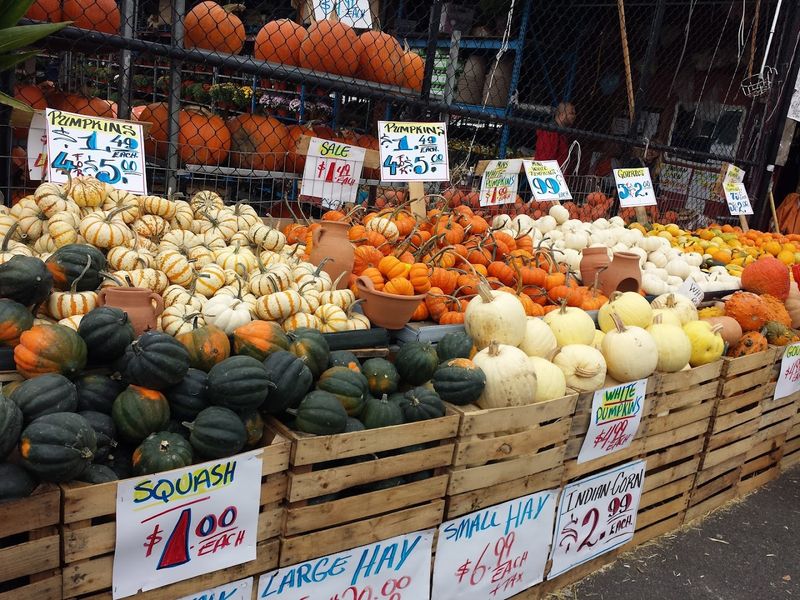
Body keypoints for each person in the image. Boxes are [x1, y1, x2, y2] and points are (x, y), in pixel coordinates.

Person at [535, 102, 576, 167]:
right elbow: (545, 159)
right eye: (571, 113)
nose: (574, 116)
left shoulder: (561, 134)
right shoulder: (550, 132)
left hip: (557, 170)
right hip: (549, 170)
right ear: (562, 115)